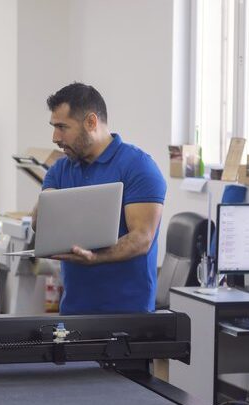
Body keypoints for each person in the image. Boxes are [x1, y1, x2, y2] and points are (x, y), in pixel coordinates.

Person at [36, 82, 166, 314]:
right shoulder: (60, 170)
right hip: (74, 311)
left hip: (128, 314)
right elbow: (39, 224)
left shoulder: (138, 167)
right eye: (53, 127)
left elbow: (141, 238)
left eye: (62, 127)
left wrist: (95, 257)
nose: (55, 137)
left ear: (91, 122)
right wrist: (47, 208)